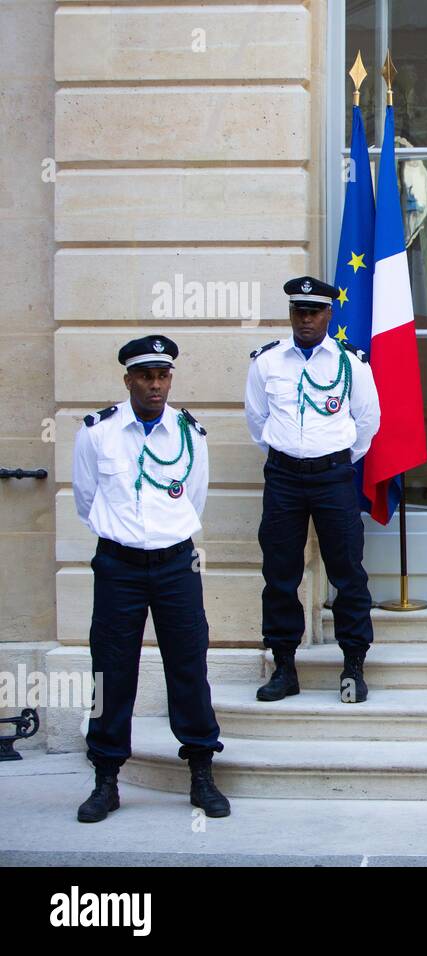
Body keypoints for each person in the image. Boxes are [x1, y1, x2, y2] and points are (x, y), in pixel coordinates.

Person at [71, 334, 229, 822]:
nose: (155, 385)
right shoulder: (98, 432)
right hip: (118, 565)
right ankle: (106, 778)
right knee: (112, 670)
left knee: (188, 666)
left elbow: (192, 500)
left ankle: (201, 771)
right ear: (128, 379)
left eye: (162, 376)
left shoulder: (190, 434)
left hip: (176, 563)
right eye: (145, 376)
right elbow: (85, 499)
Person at [245, 277, 380, 703]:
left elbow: (366, 423)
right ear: (290, 314)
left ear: (328, 315)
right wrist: (291, 454)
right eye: (299, 311)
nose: (306, 319)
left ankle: (353, 667)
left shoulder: (351, 364)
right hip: (283, 477)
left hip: (334, 476)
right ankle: (285, 667)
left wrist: (333, 458)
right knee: (280, 574)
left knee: (348, 572)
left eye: (315, 311)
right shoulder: (267, 363)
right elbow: (258, 421)